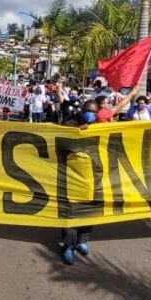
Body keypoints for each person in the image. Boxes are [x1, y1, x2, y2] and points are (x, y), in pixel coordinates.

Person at [61, 99, 99, 265]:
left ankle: (82, 240)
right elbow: (61, 138)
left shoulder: (101, 126)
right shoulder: (71, 123)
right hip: (71, 176)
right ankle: (68, 246)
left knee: (88, 212)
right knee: (71, 213)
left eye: (94, 111)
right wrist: (76, 131)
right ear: (82, 110)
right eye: (88, 110)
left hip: (91, 177)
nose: (91, 113)